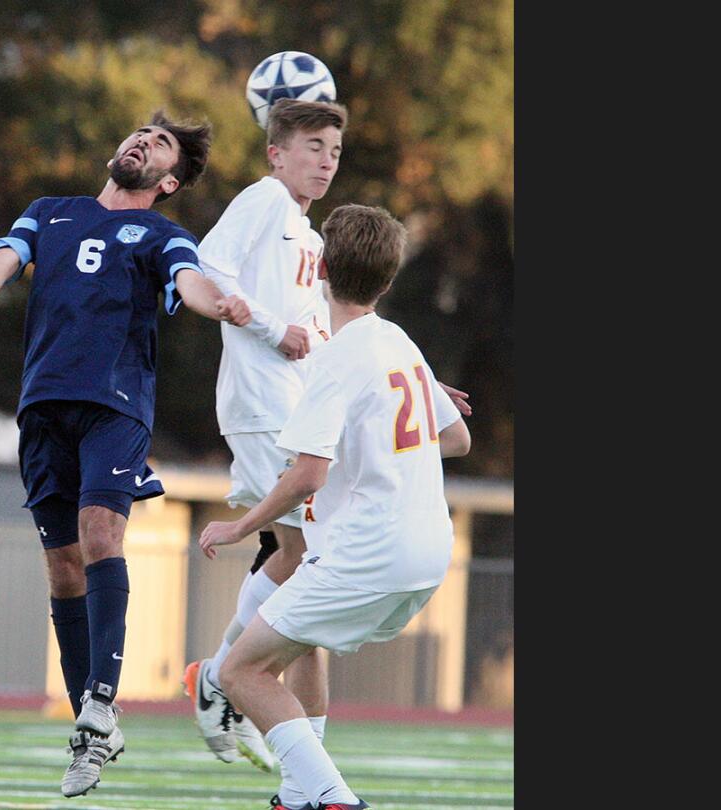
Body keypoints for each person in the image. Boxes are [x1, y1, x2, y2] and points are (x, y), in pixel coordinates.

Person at [0, 111, 250, 798]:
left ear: (169, 179)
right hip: (43, 407)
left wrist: (221, 304)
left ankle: (100, 705)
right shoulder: (49, 213)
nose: (142, 140)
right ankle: (94, 723)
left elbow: (190, 281)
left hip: (114, 405)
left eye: (160, 142)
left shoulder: (162, 234)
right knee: (61, 571)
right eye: (140, 132)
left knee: (98, 535)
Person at [184, 99, 471, 780]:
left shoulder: (311, 237)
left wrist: (399, 389)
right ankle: (222, 676)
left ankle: (298, 767)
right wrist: (260, 325)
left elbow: (335, 339)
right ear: (274, 152)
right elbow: (205, 269)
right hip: (265, 408)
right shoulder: (262, 200)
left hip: (299, 409)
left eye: (335, 151)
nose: (325, 160)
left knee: (310, 590)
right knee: (304, 558)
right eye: (312, 145)